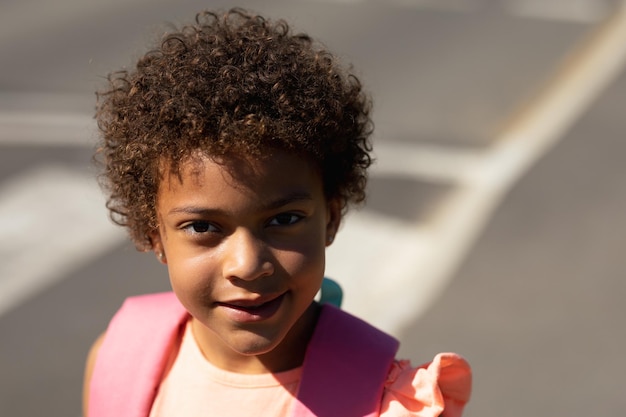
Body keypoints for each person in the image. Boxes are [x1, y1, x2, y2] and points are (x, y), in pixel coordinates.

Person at [82, 7, 471, 417]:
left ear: (332, 219)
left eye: (283, 220)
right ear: (153, 234)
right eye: (203, 227)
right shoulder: (117, 357)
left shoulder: (388, 404)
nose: (248, 265)